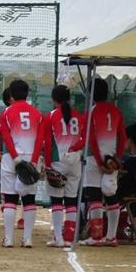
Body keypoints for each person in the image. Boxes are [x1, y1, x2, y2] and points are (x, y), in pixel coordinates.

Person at [0, 79, 43, 248]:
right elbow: (40, 141)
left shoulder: (6, 112)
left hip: (11, 157)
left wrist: (15, 157)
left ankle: (8, 239)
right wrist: (35, 161)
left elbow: (5, 136)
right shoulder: (37, 113)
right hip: (31, 157)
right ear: (27, 93)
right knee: (29, 199)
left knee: (9, 198)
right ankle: (27, 238)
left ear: (11, 95)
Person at [79, 78, 127, 247]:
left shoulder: (90, 112)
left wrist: (100, 162)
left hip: (94, 159)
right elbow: (123, 137)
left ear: (91, 94)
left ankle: (96, 236)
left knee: (94, 197)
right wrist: (117, 159)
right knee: (111, 195)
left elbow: (90, 139)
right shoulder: (116, 111)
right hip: (112, 159)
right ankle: (111, 236)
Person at [42, 85, 84, 248]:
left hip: (58, 161)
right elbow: (83, 139)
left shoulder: (51, 116)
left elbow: (48, 144)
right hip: (75, 161)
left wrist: (47, 165)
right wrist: (74, 148)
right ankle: (70, 236)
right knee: (71, 200)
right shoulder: (79, 116)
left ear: (54, 99)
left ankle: (58, 238)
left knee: (57, 200)